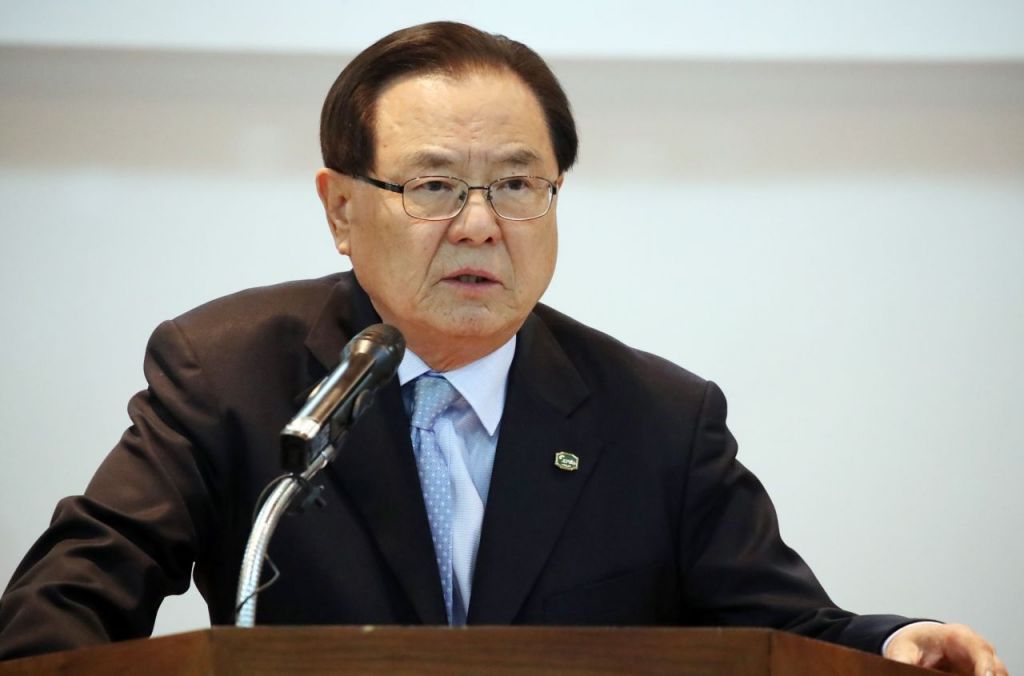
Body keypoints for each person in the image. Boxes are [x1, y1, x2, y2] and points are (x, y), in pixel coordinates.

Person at [0, 21, 1006, 674]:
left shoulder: (658, 419)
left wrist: (893, 644)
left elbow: (784, 627)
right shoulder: (230, 372)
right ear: (342, 209)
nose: (481, 225)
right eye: (435, 186)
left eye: (518, 185)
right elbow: (65, 604)